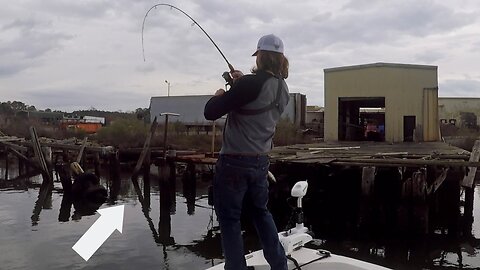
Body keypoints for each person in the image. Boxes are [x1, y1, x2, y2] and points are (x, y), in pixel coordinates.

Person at [204, 34, 290, 270]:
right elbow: (256, 99)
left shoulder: (250, 84)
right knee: (261, 213)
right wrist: (241, 82)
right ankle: (279, 265)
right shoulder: (283, 88)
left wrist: (220, 94)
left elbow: (210, 112)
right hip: (260, 162)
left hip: (233, 162)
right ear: (281, 59)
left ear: (260, 57)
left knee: (230, 220)